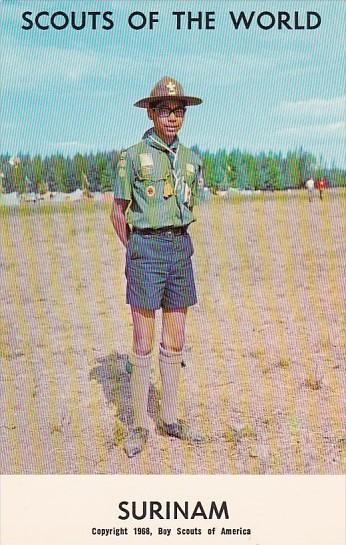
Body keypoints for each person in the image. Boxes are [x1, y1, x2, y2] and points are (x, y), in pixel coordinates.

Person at [110, 76, 205, 457]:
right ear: (151, 112)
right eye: (165, 110)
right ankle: (137, 425)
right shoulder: (132, 157)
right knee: (143, 341)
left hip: (180, 247)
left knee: (176, 339)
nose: (173, 117)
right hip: (145, 248)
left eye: (179, 110)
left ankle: (168, 418)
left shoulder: (192, 160)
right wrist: (136, 248)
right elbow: (117, 212)